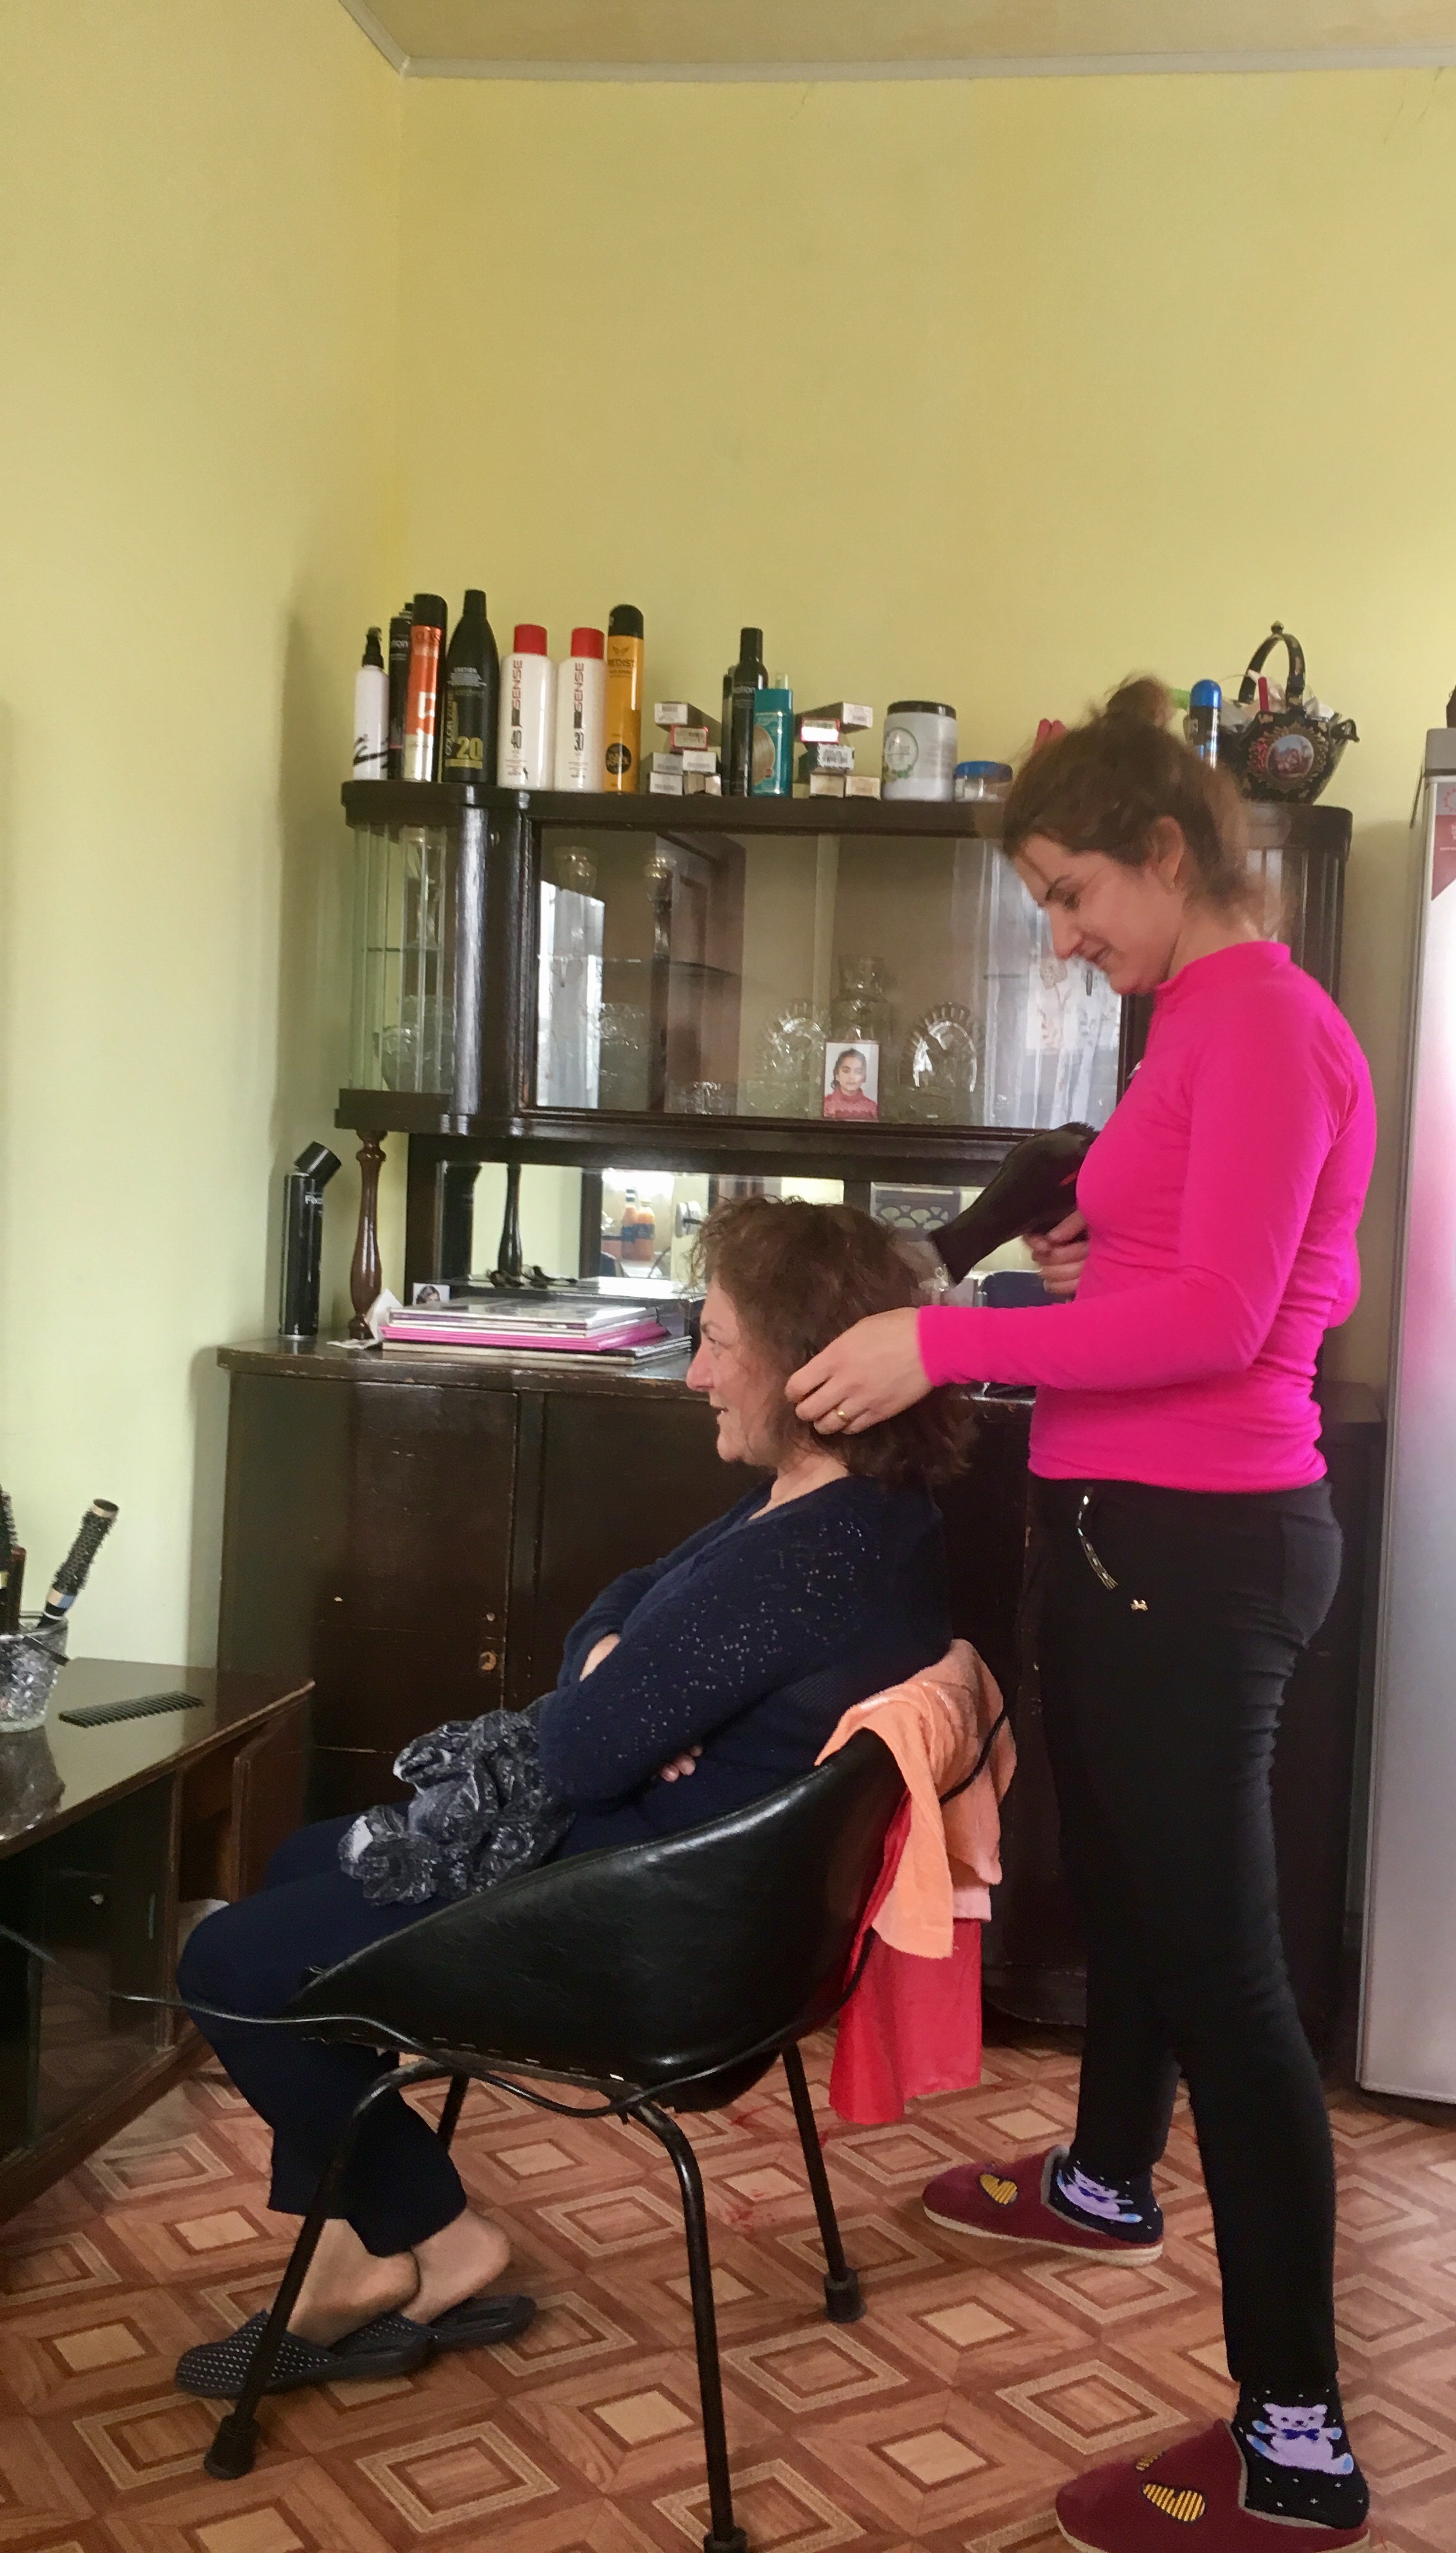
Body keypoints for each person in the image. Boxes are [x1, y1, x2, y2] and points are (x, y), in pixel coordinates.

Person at [788, 680, 1379, 2553]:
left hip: (1197, 1552)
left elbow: (1228, 1322)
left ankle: (1296, 2443)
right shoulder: (1200, 1017)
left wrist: (946, 1334)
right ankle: (1110, 2180)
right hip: (1142, 1532)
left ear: (1167, 853)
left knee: (1231, 1990)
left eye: (1070, 894)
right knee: (1129, 1900)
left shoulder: (1258, 1022)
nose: (1060, 936)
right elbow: (1222, 1270)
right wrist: (1079, 1266)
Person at [175, 1197, 969, 2401]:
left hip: (644, 1933)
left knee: (231, 1961)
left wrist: (613, 1691)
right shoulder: (845, 1508)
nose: (696, 1373)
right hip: (698, 1895)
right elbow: (624, 1598)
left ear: (809, 1367)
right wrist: (613, 1658)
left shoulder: (803, 1556)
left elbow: (583, 1753)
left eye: (718, 1342)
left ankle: (433, 2241)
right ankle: (350, 2246)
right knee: (298, 1871)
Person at [822, 1043, 879, 1120]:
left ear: (864, 1077)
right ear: (837, 1075)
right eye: (846, 1071)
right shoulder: (825, 1105)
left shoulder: (873, 1108)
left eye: (858, 1072)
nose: (852, 1077)